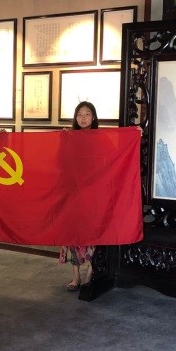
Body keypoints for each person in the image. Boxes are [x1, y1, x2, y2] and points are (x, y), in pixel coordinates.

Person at [60, 101, 98, 291]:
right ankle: (75, 276)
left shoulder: (101, 138)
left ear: (93, 117)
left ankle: (90, 272)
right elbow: (60, 161)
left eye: (87, 114)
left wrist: (134, 134)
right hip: (73, 193)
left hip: (94, 193)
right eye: (79, 114)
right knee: (73, 233)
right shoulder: (69, 137)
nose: (83, 118)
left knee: (93, 234)